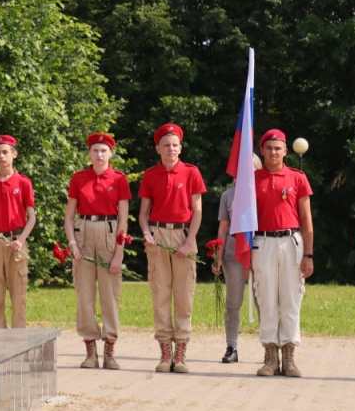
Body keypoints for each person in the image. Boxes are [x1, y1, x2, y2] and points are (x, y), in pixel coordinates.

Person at [138, 123, 206, 373]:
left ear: (181, 147)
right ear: (158, 148)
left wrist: (189, 242)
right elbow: (143, 213)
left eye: (175, 145)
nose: (171, 149)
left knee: (184, 294)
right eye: (166, 145)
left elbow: (197, 211)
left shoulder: (191, 172)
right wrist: (147, 233)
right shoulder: (150, 175)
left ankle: (181, 351)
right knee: (160, 294)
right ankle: (165, 350)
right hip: (157, 235)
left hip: (183, 234)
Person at [65, 133, 131, 369]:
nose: (99, 154)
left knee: (110, 295)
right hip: (83, 232)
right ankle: (90, 351)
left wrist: (119, 253)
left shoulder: (119, 179)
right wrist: (72, 243)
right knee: (84, 295)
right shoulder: (79, 178)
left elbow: (123, 219)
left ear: (110, 153)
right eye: (95, 150)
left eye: (104, 150)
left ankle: (110, 349)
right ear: (89, 153)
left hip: (109, 233)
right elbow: (69, 216)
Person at [252, 129, 314, 378]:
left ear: (286, 151)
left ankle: (289, 356)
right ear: (262, 151)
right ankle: (270, 356)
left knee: (291, 300)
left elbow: (306, 219)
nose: (273, 152)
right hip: (262, 242)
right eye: (268, 148)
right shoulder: (252, 179)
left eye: (278, 148)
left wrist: (308, 254)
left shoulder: (297, 178)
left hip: (290, 242)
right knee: (266, 300)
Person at [0, 135, 36, 328]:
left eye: (5, 152)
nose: (1, 156)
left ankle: (19, 339)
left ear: (14, 154)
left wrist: (21, 240)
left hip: (16, 242)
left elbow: (32, 218)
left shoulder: (23, 182)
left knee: (19, 295)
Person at [211, 155, 262, 364]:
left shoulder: (263, 193)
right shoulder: (228, 196)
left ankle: (270, 346)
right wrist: (218, 256)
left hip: (259, 253)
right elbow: (223, 228)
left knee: (263, 301)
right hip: (233, 254)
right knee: (233, 302)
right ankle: (231, 346)